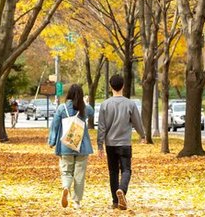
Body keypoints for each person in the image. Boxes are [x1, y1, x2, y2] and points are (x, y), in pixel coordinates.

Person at [97, 74, 146, 210]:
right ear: (123, 86)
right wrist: (143, 135)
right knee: (126, 170)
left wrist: (100, 145)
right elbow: (137, 122)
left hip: (110, 144)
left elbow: (101, 127)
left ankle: (115, 201)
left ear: (110, 86)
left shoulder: (105, 105)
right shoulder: (130, 104)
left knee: (113, 172)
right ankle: (122, 191)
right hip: (125, 143)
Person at [48, 84, 94, 209]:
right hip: (82, 146)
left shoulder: (62, 108)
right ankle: (77, 202)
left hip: (66, 146)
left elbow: (55, 126)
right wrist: (84, 102)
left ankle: (66, 188)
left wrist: (52, 141)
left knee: (66, 171)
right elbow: (92, 112)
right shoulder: (85, 108)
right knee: (79, 174)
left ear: (68, 94)